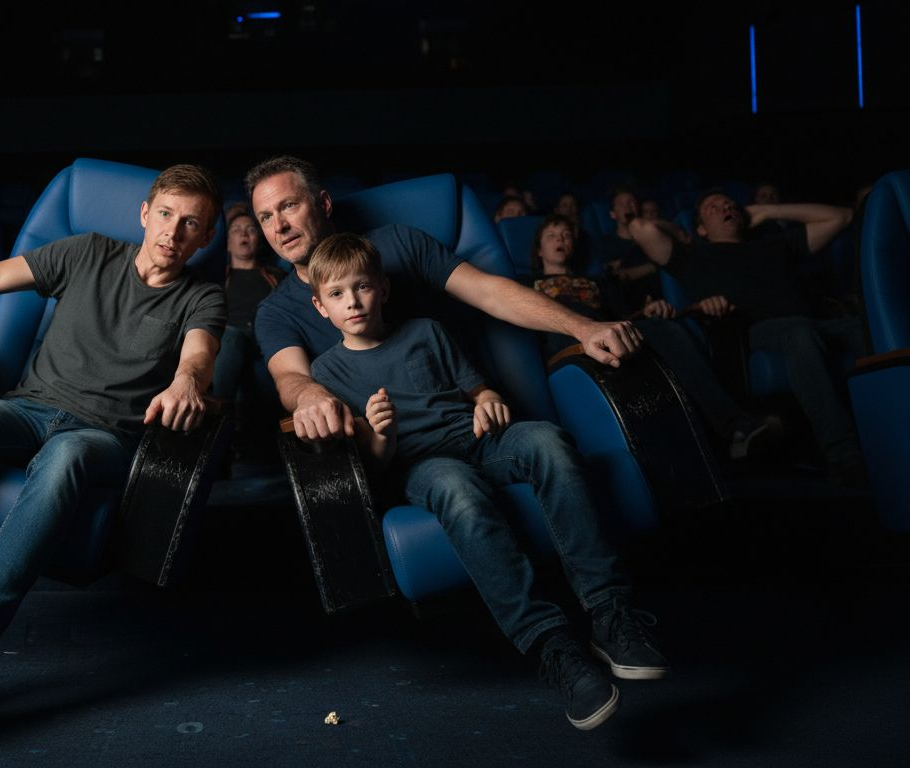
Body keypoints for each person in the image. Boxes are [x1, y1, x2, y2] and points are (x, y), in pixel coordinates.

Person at [0, 164, 227, 712]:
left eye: (190, 223)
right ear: (145, 214)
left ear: (207, 236)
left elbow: (199, 354)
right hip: (28, 408)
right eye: (166, 215)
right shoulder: (88, 251)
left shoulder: (203, 296)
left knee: (66, 453)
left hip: (104, 436)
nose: (173, 232)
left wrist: (186, 381)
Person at [306, 233, 665, 730]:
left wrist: (489, 401)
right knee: (457, 490)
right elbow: (376, 465)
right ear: (320, 307)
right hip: (420, 464)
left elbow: (478, 390)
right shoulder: (327, 371)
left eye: (362, 287)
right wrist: (382, 434)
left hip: (477, 439)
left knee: (547, 440)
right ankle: (552, 646)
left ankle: (609, 611)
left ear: (383, 289)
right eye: (337, 294)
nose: (353, 302)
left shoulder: (426, 331)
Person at [245, 155, 641, 445]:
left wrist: (582, 327)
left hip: (470, 420)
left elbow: (489, 291)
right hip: (394, 451)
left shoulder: (399, 242)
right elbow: (290, 376)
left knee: (549, 445)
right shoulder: (275, 311)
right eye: (265, 217)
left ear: (324, 204)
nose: (279, 226)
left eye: (289, 206)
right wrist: (310, 397)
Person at [628, 188, 865, 483]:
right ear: (700, 229)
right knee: (798, 332)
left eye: (729, 204)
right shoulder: (692, 256)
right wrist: (680, 231)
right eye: (713, 207)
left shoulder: (774, 244)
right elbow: (639, 227)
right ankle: (844, 455)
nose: (725, 207)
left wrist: (768, 212)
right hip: (757, 331)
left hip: (815, 323)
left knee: (869, 327)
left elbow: (842, 216)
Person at [531, 214, 777, 458]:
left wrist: (647, 311)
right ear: (539, 250)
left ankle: (736, 427)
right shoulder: (530, 285)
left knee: (664, 328)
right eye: (551, 235)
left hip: (607, 331)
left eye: (566, 235)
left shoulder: (596, 283)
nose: (560, 239)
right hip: (566, 341)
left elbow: (624, 316)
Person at [211, 211, 283, 400]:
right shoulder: (216, 279)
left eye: (251, 229)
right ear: (227, 243)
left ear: (258, 240)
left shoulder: (276, 276)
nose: (244, 234)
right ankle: (221, 409)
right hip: (229, 340)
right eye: (236, 230)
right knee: (230, 337)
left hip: (264, 338)